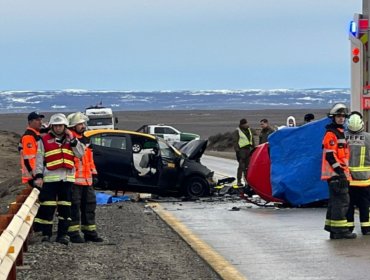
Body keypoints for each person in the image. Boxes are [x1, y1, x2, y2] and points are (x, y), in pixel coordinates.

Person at [33, 113, 85, 245]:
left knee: (65, 209)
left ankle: (63, 235)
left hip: (67, 179)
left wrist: (74, 143)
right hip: (50, 179)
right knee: (48, 207)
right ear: (51, 126)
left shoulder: (72, 139)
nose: (58, 128)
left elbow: (81, 154)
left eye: (60, 126)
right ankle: (46, 234)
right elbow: (39, 159)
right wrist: (38, 176)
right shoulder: (43, 140)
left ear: (65, 126)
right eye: (55, 126)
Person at [66, 112, 103, 243]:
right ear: (72, 126)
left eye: (83, 123)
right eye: (79, 124)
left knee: (90, 206)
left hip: (87, 180)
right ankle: (73, 233)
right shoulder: (70, 140)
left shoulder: (86, 140)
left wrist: (94, 173)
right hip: (74, 180)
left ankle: (90, 232)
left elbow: (90, 160)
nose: (82, 126)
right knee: (74, 207)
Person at [321, 103, 356, 239]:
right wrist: (340, 172)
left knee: (336, 202)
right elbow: (330, 155)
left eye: (343, 116)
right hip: (336, 174)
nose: (341, 119)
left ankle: (332, 228)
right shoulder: (331, 134)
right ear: (333, 117)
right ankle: (340, 231)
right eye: (338, 116)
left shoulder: (339, 132)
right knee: (342, 202)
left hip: (338, 174)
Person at [346, 112, 370, 235]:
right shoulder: (368, 138)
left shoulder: (343, 137)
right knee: (365, 205)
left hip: (347, 179)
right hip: (364, 180)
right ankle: (366, 228)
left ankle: (349, 228)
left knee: (349, 206)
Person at [18, 111, 45, 186]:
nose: (40, 122)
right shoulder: (29, 137)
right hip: (33, 176)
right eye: (37, 120)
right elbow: (30, 159)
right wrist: (36, 176)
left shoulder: (35, 134)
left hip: (34, 175)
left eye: (40, 120)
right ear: (30, 122)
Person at [233, 118, 255, 186]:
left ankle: (247, 182)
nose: (247, 124)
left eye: (247, 123)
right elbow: (235, 141)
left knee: (248, 167)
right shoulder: (237, 131)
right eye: (245, 124)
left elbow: (252, 139)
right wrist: (237, 151)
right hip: (241, 150)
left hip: (248, 149)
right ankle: (239, 181)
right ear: (242, 124)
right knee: (241, 167)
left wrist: (254, 148)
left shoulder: (249, 130)